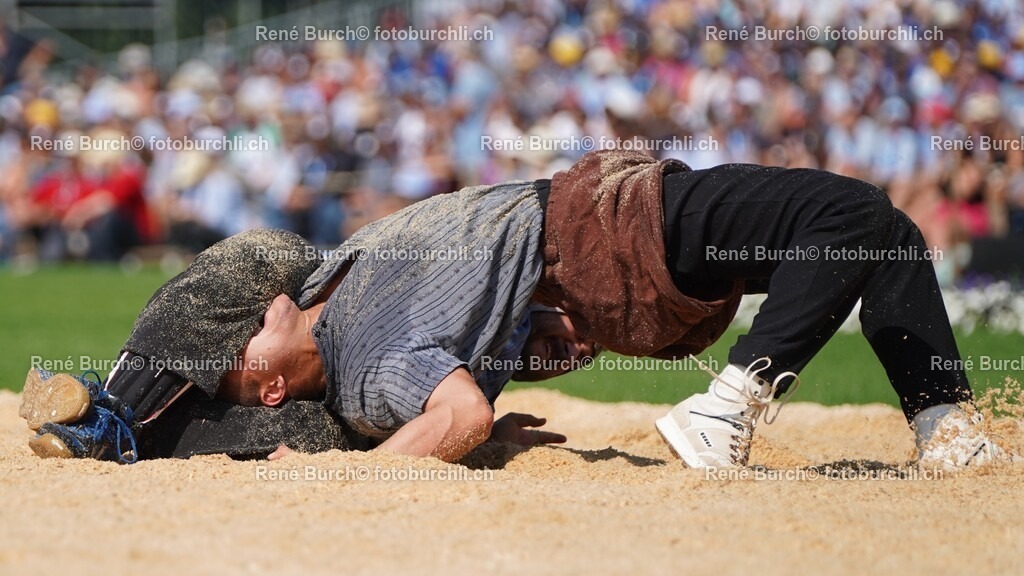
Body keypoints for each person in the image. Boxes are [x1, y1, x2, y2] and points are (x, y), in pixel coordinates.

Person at [22, 180, 595, 462]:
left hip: (328, 385)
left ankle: (108, 420)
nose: (575, 355)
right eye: (571, 340)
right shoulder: (287, 299)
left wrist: (488, 436)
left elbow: (457, 407)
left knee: (319, 432)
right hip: (323, 354)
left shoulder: (490, 340)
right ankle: (112, 417)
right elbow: (459, 408)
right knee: (267, 260)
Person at [533, 149, 1002, 471]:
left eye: (557, 343)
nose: (576, 352)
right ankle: (726, 404)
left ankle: (944, 427)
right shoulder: (505, 322)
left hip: (640, 216)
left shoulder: (520, 281)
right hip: (644, 227)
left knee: (889, 231)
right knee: (864, 211)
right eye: (561, 357)